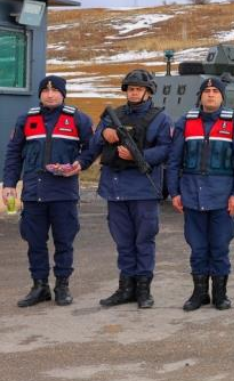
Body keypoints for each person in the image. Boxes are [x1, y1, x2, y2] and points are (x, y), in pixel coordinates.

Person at [79, 69, 171, 309]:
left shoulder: (160, 118)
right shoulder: (113, 115)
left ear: (148, 92)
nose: (133, 92)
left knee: (144, 239)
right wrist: (104, 133)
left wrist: (138, 155)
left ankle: (143, 290)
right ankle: (125, 288)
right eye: (130, 89)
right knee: (123, 241)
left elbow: (166, 150)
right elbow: (94, 143)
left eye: (138, 89)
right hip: (115, 188)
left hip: (144, 189)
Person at [3, 76, 93, 307]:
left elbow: (91, 148)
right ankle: (39, 286)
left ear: (63, 94)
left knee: (64, 241)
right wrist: (9, 184)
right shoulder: (27, 119)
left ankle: (62, 285)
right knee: (35, 242)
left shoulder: (77, 119)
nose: (50, 95)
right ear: (40, 94)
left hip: (63, 193)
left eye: (55, 91)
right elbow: (14, 153)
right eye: (45, 90)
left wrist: (80, 164)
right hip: (33, 192)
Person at [167, 76, 234, 311]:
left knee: (220, 247)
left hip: (222, 198)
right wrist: (174, 191)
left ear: (222, 96)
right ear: (200, 95)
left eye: (215, 91)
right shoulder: (185, 122)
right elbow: (174, 160)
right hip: (192, 196)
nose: (210, 94)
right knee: (198, 247)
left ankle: (220, 294)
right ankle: (199, 293)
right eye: (207, 91)